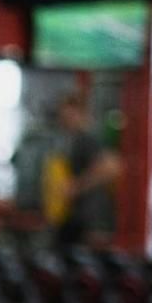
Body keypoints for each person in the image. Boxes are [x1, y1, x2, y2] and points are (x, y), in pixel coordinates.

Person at [46, 93, 122, 247]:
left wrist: (77, 186)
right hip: (78, 217)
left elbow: (112, 167)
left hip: (94, 218)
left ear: (81, 113)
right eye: (62, 116)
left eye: (69, 115)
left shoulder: (88, 138)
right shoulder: (73, 139)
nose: (65, 120)